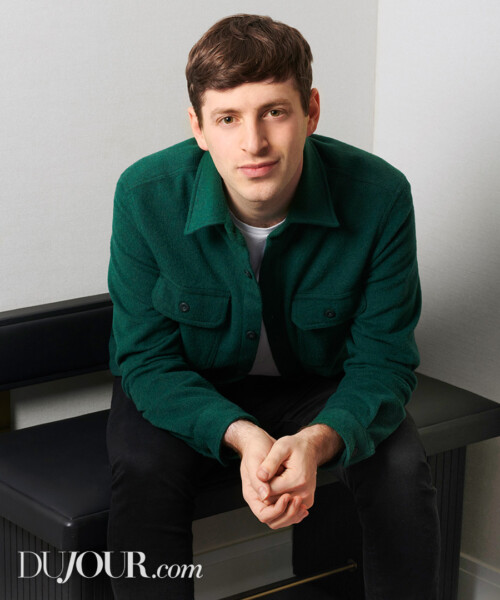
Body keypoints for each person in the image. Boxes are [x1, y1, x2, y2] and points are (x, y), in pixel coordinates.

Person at [106, 13, 440, 600]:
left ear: (311, 111)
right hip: (187, 384)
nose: (253, 143)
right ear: (198, 127)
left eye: (275, 112)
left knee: (399, 467)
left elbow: (384, 361)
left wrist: (316, 440)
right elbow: (146, 361)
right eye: (228, 118)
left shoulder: (381, 196)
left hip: (318, 387)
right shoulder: (144, 196)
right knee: (142, 470)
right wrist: (241, 435)